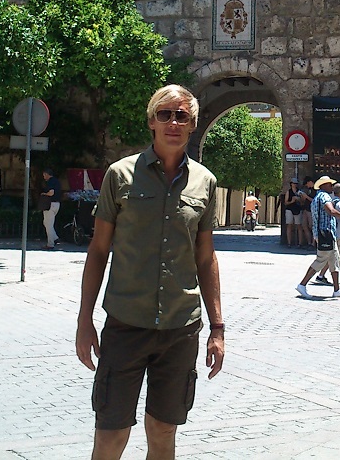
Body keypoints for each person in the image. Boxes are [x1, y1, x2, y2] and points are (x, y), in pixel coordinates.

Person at [75, 84, 224, 460]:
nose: (173, 122)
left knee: (162, 432)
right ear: (152, 122)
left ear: (192, 126)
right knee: (110, 436)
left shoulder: (205, 183)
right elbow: (98, 251)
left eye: (182, 116)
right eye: (165, 114)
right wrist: (84, 320)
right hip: (126, 325)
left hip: (180, 329)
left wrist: (218, 328)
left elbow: (206, 258)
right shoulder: (120, 175)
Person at [295, 176, 340, 299]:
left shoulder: (316, 198)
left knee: (334, 260)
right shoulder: (325, 197)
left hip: (322, 233)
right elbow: (330, 211)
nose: (332, 187)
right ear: (324, 185)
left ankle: (336, 290)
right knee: (321, 259)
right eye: (330, 184)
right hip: (325, 233)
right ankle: (302, 284)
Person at [40, 168, 62, 250]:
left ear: (47, 174)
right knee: (47, 223)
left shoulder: (50, 182)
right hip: (57, 204)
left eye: (44, 175)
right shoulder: (57, 181)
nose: (44, 177)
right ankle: (55, 238)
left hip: (50, 204)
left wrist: (44, 194)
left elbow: (51, 192)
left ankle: (50, 244)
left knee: (48, 224)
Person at [282, 179, 305, 247]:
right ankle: (289, 243)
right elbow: (286, 202)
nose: (295, 184)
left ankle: (300, 243)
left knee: (299, 226)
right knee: (289, 225)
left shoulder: (300, 192)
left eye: (296, 183)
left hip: (298, 209)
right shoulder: (288, 192)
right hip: (289, 209)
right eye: (294, 183)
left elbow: (303, 202)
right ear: (291, 184)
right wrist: (292, 201)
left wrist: (299, 199)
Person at [298, 177, 316, 248]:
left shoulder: (316, 190)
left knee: (312, 226)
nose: (306, 185)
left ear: (310, 182)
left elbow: (314, 201)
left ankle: (313, 243)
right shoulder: (309, 190)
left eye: (307, 184)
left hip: (311, 210)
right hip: (305, 209)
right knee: (304, 226)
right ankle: (309, 242)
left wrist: (306, 197)